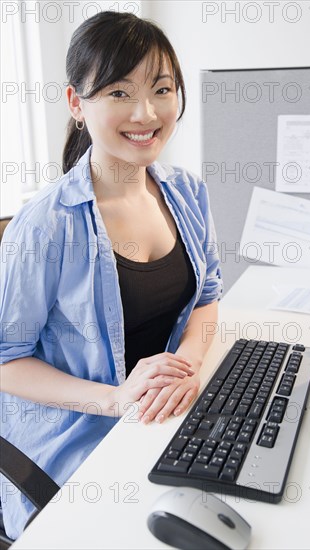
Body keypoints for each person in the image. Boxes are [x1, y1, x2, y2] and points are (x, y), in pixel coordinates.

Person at [0, 11, 223, 540]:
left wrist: (185, 368)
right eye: (119, 93)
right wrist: (114, 399)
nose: (146, 112)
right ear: (77, 104)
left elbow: (208, 297)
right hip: (75, 445)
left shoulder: (186, 193)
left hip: (157, 421)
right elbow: (5, 360)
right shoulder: (47, 225)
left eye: (162, 89)